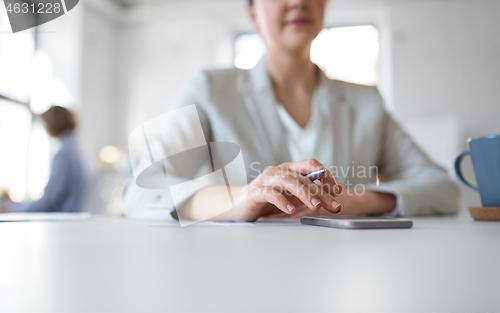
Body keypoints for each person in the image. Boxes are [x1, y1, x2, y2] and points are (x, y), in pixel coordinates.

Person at [123, 0, 460, 221]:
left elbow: (442, 188)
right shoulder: (210, 90)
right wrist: (243, 199)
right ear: (253, 13)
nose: (297, 2)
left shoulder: (366, 101)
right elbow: (142, 191)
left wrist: (356, 201)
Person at [0, 106, 90, 213]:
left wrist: (11, 208)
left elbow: (48, 203)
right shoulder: (84, 149)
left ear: (53, 123)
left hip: (62, 220)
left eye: (45, 124)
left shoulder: (66, 153)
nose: (45, 128)